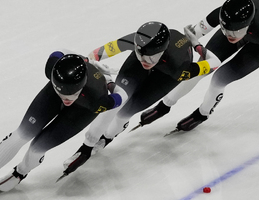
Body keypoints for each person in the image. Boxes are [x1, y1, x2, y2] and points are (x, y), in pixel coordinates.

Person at [60, 21, 220, 176]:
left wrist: (197, 45)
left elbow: (215, 62)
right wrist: (89, 62)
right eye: (140, 55)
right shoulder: (141, 41)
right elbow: (101, 52)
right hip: (154, 59)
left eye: (150, 58)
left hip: (169, 73)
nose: (145, 61)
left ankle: (108, 137)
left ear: (162, 52)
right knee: (118, 101)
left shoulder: (179, 67)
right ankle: (85, 148)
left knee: (126, 111)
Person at [0, 52, 121, 200]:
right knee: (21, 135)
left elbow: (121, 97)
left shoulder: (97, 99)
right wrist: (83, 59)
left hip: (83, 109)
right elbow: (59, 52)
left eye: (71, 95)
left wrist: (109, 83)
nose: (66, 99)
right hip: (55, 93)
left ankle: (20, 172)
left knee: (37, 147)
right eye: (62, 93)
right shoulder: (52, 68)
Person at [137, 0, 259, 133]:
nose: (230, 35)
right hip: (250, 29)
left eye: (235, 31)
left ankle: (202, 114)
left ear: (248, 26)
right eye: (225, 29)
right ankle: (164, 106)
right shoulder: (224, 16)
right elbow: (194, 34)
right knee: (202, 68)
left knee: (220, 78)